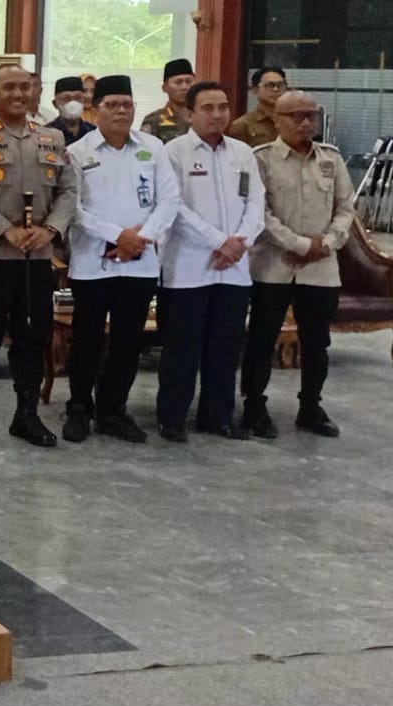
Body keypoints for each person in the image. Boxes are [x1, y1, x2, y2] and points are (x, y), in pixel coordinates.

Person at [0, 65, 78, 448]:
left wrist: (51, 230)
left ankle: (26, 415)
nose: (17, 94)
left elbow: (68, 191)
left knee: (32, 338)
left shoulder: (52, 137)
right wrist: (2, 230)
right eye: (8, 87)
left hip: (37, 257)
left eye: (25, 87)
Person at [63, 75, 180, 443]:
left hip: (140, 262)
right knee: (87, 340)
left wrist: (140, 239)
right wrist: (119, 236)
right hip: (92, 262)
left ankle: (113, 410)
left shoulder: (154, 148)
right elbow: (73, 209)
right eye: (111, 105)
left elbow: (170, 200)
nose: (120, 111)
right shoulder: (78, 152)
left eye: (126, 104)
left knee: (128, 342)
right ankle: (79, 409)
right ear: (94, 110)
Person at [239, 91, 356, 438]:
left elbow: (346, 208)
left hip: (320, 269)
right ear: (277, 120)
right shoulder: (261, 159)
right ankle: (254, 407)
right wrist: (300, 245)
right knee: (261, 340)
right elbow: (258, 212)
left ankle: (311, 407)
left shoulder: (331, 159)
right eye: (296, 116)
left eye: (311, 115)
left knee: (317, 342)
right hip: (272, 266)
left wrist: (327, 243)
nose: (305, 122)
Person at [155, 81, 265, 442]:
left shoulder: (242, 153)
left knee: (225, 347)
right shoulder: (173, 152)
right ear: (189, 113)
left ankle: (217, 416)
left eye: (223, 107)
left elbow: (256, 203)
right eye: (207, 108)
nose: (217, 114)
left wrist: (239, 242)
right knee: (181, 348)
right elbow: (173, 208)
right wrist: (219, 242)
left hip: (234, 269)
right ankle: (172, 417)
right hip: (188, 267)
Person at [229, 66, 287, 147]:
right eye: (270, 85)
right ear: (255, 90)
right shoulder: (242, 125)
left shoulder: (292, 121)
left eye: (280, 85)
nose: (276, 89)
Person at [141, 58, 195, 142]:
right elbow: (145, 148)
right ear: (164, 88)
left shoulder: (203, 117)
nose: (184, 87)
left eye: (188, 82)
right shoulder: (154, 120)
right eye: (178, 82)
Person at [52, 75, 95, 145]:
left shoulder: (93, 132)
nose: (73, 103)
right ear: (55, 104)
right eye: (66, 98)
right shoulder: (45, 132)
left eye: (78, 98)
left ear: (83, 101)